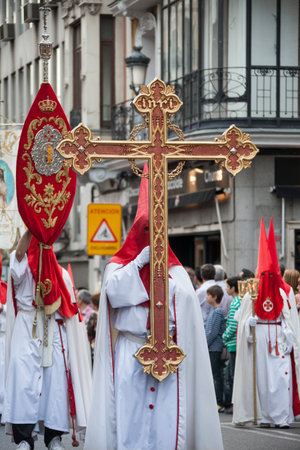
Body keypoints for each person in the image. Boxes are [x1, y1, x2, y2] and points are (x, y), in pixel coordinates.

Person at [84, 164, 223, 450]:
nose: (150, 236)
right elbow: (114, 293)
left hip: (170, 356)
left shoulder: (177, 273)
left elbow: (183, 304)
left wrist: (161, 277)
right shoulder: (117, 268)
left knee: (166, 422)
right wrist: (139, 263)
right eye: (145, 230)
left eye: (155, 231)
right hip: (131, 352)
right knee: (130, 419)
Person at [3, 230, 92, 450]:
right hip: (27, 329)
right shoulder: (23, 271)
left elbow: (70, 309)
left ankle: (53, 437)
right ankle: (24, 438)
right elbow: (19, 257)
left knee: (55, 387)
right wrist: (32, 229)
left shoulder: (61, 274)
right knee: (23, 384)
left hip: (53, 331)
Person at [232, 218, 300, 427]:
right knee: (260, 379)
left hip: (279, 338)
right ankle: (263, 416)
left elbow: (290, 318)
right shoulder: (251, 293)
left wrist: (290, 338)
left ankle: (281, 417)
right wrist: (248, 324)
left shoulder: (284, 291)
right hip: (259, 340)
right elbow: (240, 319)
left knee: (280, 378)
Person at [205, 284, 226, 413]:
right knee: (214, 374)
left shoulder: (218, 311)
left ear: (215, 297)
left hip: (214, 347)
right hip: (211, 346)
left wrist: (205, 343)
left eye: (208, 295)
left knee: (216, 374)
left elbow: (213, 332)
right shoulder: (213, 310)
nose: (206, 297)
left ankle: (219, 401)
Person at [222, 276, 241, 413]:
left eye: (228, 287)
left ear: (233, 288)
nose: (226, 289)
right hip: (234, 342)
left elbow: (233, 324)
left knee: (232, 375)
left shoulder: (235, 302)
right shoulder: (237, 301)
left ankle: (235, 404)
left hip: (233, 342)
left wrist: (225, 336)